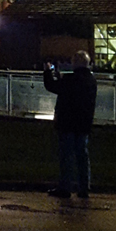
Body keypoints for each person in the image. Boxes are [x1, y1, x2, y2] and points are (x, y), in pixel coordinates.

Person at [43, 51, 97, 199]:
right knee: (82, 156)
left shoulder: (70, 79)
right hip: (83, 123)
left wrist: (48, 72)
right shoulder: (91, 81)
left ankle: (65, 187)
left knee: (67, 156)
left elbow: (53, 86)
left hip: (67, 122)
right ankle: (84, 187)